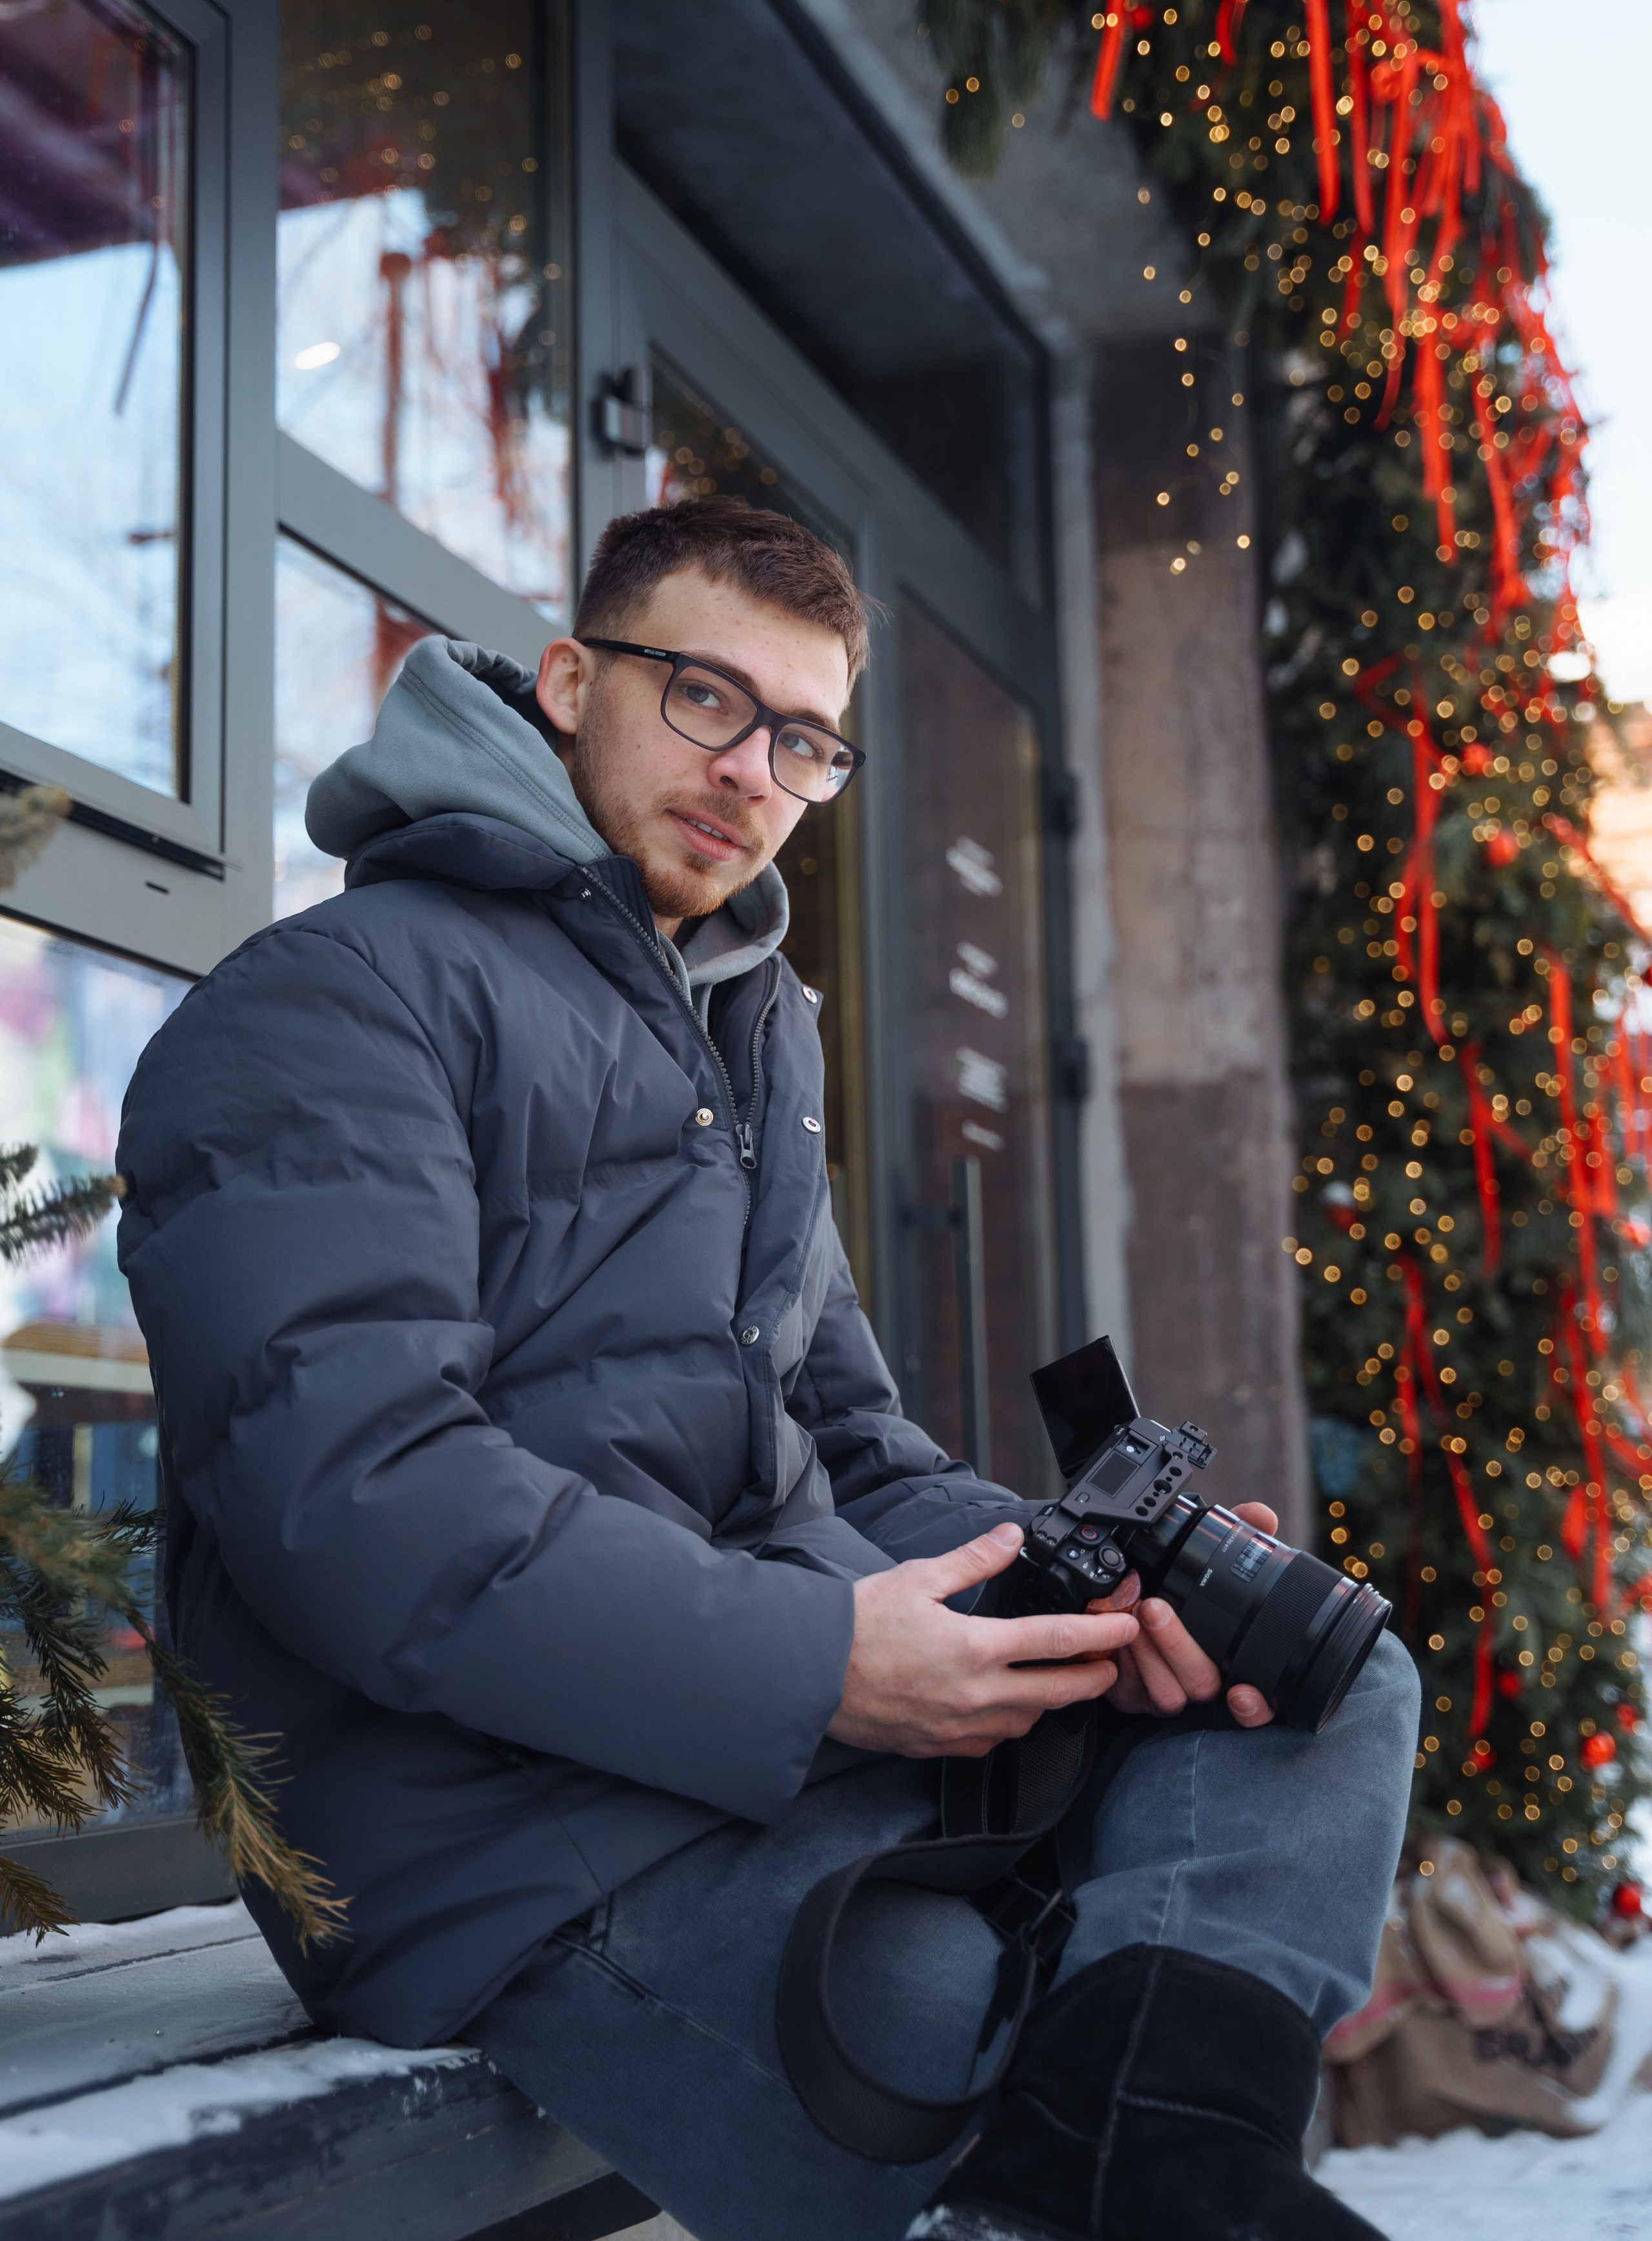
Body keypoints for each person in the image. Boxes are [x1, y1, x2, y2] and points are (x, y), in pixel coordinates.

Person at [117, 498, 1417, 2241]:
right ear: (574, 681)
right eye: (705, 700)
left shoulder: (752, 1028)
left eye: (803, 739)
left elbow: (850, 1445)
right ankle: (1118, 2181)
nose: (752, 773)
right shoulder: (332, 1003)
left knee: (1314, 1672)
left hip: (780, 1750)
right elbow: (357, 1504)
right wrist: (825, 1666)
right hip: (515, 1847)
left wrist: (1088, 1590)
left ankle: (1126, 2167)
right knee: (981, 2042)